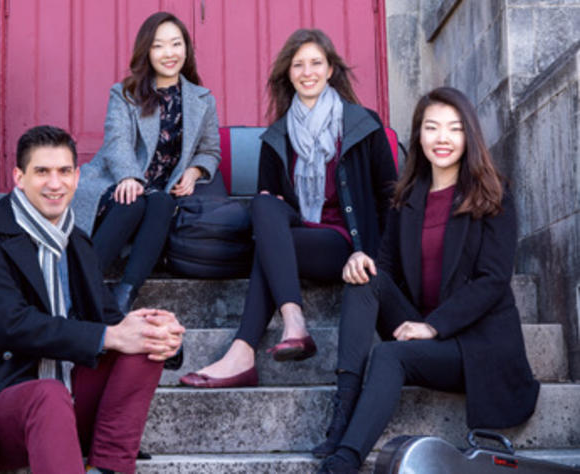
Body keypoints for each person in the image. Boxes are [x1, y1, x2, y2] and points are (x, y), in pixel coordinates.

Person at [0, 125, 185, 474]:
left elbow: (110, 318)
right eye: (42, 172)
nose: (55, 183)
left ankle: (110, 466)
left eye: (64, 171)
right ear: (19, 177)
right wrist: (111, 336)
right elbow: (11, 323)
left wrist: (162, 333)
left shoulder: (77, 242)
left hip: (69, 399)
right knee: (47, 393)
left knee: (144, 340)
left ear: (78, 177)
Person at [315, 87, 540, 474]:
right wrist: (358, 259)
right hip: (423, 329)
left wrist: (432, 326)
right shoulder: (407, 199)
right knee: (365, 278)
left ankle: (344, 461)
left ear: (469, 136)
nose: (443, 138)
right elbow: (384, 272)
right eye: (432, 127)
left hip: (474, 344)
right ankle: (343, 412)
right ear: (418, 135)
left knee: (387, 355)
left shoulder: (493, 196)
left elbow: (493, 280)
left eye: (454, 129)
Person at [180, 28, 397, 388]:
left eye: (316, 63)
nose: (307, 71)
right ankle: (292, 320)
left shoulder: (362, 124)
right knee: (264, 204)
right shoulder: (276, 138)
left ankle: (242, 353)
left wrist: (382, 263)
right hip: (296, 241)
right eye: (298, 65)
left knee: (267, 247)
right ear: (288, 74)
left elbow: (390, 198)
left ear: (330, 70)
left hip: (346, 246)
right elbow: (271, 213)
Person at [72, 11, 220, 316]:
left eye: (176, 44)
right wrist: (130, 176)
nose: (169, 53)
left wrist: (194, 171)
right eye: (159, 46)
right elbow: (117, 141)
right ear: (147, 52)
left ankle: (124, 295)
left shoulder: (202, 99)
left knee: (162, 202)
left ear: (186, 49)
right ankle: (81, 288)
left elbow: (210, 150)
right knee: (135, 202)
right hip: (114, 186)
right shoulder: (125, 93)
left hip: (158, 195)